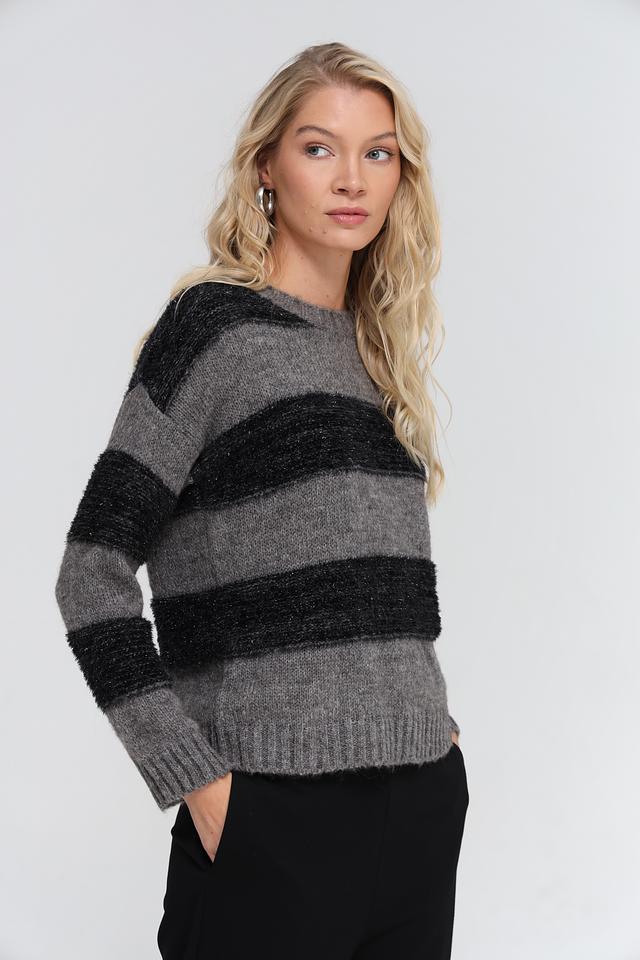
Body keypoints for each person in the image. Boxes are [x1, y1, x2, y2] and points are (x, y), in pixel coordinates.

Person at [54, 40, 469, 960]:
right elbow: (90, 573)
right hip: (273, 817)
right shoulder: (214, 330)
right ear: (267, 168)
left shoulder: (376, 352)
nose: (352, 178)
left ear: (401, 176)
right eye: (319, 148)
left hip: (420, 804)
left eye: (378, 152)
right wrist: (200, 784)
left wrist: (436, 736)